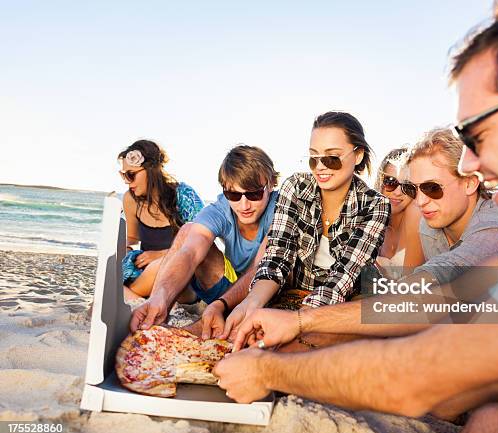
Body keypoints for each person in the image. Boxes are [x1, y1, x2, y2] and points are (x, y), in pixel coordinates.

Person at [213, 2, 498, 433]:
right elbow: (443, 299)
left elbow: (418, 373)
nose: (473, 164)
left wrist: (268, 370)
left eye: (479, 135)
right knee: (495, 421)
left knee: (495, 420)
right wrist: (303, 322)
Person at [216, 111, 390, 348]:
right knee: (237, 334)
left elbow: (343, 277)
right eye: (313, 158)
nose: (320, 167)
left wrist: (296, 323)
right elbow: (277, 257)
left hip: (343, 306)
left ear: (357, 155)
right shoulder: (295, 187)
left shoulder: (375, 205)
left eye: (332, 158)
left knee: (289, 348)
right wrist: (251, 303)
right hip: (293, 295)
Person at [129, 145, 279, 336]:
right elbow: (190, 253)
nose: (244, 205)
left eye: (254, 194)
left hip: (266, 293)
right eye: (233, 194)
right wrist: (160, 295)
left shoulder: (280, 210)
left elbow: (262, 268)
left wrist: (220, 304)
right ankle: (158, 309)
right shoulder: (221, 210)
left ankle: (203, 324)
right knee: (187, 231)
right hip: (230, 292)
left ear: (271, 184)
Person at [407, 127, 498, 284]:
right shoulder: (427, 225)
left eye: (432, 188)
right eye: (411, 189)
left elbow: (453, 266)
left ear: (469, 183)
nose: (420, 201)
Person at [119, 140, 203, 300]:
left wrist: (161, 255)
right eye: (123, 175)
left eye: (131, 175)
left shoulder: (183, 195)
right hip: (146, 275)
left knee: (161, 267)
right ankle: (135, 299)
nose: (127, 182)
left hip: (182, 275)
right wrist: (118, 248)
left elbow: (204, 240)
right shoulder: (131, 199)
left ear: (151, 170)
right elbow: (131, 238)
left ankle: (128, 297)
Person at [373, 148, 424, 270]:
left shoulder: (415, 213)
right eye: (390, 182)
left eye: (407, 186)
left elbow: (410, 283)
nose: (397, 193)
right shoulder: (371, 216)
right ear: (380, 182)